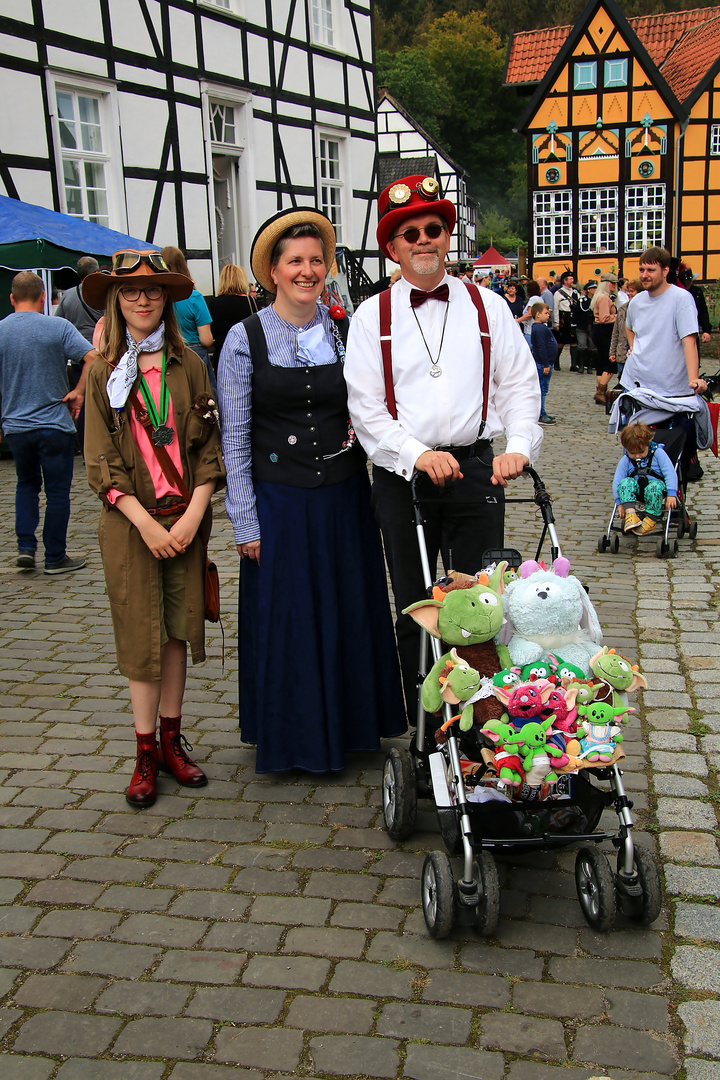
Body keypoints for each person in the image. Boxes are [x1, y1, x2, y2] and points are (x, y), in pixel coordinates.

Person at [344, 173, 542, 719]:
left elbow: (519, 383)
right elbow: (365, 408)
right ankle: (423, 729)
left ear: (447, 236)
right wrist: (414, 453)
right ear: (392, 247)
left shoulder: (488, 306)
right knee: (416, 602)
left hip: (476, 471)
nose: (424, 240)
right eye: (410, 234)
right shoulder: (370, 317)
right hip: (402, 478)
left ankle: (480, 726)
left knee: (479, 603)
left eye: (434, 229)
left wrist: (518, 444)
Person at [217, 208, 405, 773]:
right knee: (291, 616)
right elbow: (236, 437)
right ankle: (296, 739)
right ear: (272, 271)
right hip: (281, 500)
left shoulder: (348, 331)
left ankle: (351, 728)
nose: (307, 271)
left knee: (347, 609)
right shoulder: (242, 338)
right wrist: (245, 521)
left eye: (315, 261)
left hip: (345, 497)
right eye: (294, 261)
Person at [82, 250, 226, 809]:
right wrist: (145, 524)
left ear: (168, 299)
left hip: (185, 523)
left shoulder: (188, 365)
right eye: (131, 291)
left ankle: (171, 740)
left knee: (176, 632)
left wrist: (192, 516)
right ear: (118, 301)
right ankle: (144, 752)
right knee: (140, 635)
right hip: (130, 527)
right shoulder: (100, 371)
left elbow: (208, 450)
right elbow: (100, 464)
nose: (143, 299)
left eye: (154, 290)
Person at [0, 271, 97, 573]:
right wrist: (78, 392)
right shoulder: (58, 326)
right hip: (55, 422)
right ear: (44, 298)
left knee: (26, 485)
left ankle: (25, 548)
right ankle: (55, 556)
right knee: (57, 492)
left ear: (12, 298)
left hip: (16, 425)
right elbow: (93, 358)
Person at [160, 246, 215, 392]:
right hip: (195, 352)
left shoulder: (159, 299)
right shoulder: (194, 297)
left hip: (166, 354)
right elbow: (206, 339)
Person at [613, 422, 677, 536]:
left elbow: (670, 473)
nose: (637, 456)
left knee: (654, 487)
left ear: (648, 444)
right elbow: (617, 481)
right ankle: (631, 514)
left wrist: (671, 493)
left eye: (641, 452)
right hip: (636, 490)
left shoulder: (658, 453)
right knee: (624, 483)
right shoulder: (626, 460)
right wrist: (619, 503)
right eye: (632, 453)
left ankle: (651, 520)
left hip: (656, 488)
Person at [206, 264, 257, 368]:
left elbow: (213, 331)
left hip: (222, 351)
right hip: (245, 350)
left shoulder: (214, 303)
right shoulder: (250, 301)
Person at [591, 273, 618, 405]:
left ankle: (601, 390)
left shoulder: (602, 297)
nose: (614, 286)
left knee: (602, 361)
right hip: (604, 330)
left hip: (601, 330)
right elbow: (604, 318)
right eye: (612, 283)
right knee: (610, 361)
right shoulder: (604, 298)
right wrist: (618, 317)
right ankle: (601, 392)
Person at [529, 302, 557, 425]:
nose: (548, 316)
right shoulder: (540, 328)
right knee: (541, 389)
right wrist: (545, 364)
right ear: (538, 314)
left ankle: (542, 411)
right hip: (543, 363)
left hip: (545, 362)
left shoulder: (541, 327)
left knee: (542, 389)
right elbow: (541, 347)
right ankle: (540, 413)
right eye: (546, 313)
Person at [610, 278, 642, 383]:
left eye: (632, 291)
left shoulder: (644, 309)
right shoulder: (623, 309)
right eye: (628, 290)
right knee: (622, 380)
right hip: (622, 351)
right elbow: (616, 332)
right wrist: (612, 352)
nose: (629, 293)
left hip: (638, 352)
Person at [553, 271, 580, 371]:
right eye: (570, 279)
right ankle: (556, 362)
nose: (572, 280)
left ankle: (573, 365)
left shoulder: (576, 292)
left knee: (574, 342)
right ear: (565, 280)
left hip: (573, 317)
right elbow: (555, 308)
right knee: (560, 342)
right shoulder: (558, 293)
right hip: (563, 318)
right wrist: (556, 322)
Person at [574, 280, 598, 374]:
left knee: (592, 347)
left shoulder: (597, 300)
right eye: (592, 288)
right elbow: (577, 312)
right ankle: (581, 365)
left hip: (593, 325)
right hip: (582, 325)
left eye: (595, 288)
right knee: (582, 346)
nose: (594, 290)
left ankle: (590, 366)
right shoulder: (582, 300)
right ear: (588, 290)